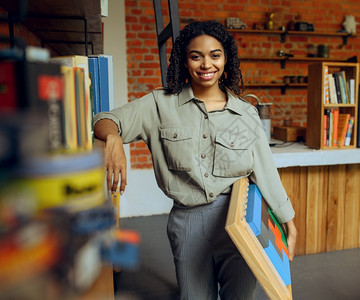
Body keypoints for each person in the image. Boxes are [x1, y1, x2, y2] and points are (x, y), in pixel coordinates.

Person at [94, 20, 297, 300]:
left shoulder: (244, 114)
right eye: (196, 56)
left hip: (239, 222)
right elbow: (105, 119)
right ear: (185, 61)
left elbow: (264, 170)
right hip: (188, 224)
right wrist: (113, 138)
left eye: (215, 55)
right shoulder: (161, 105)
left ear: (226, 60)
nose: (206, 64)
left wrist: (287, 218)